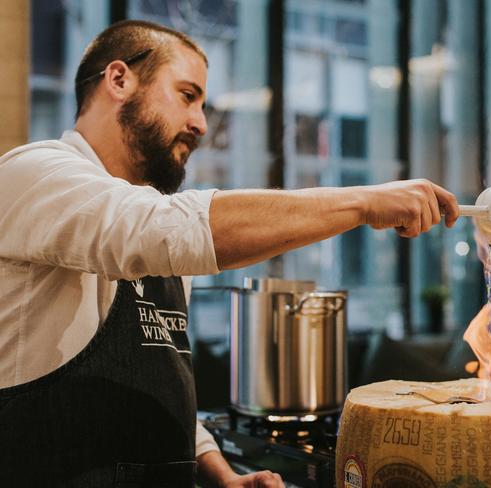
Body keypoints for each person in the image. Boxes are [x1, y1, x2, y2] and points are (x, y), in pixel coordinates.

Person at [0, 20, 459, 488]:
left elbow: (161, 387)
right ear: (119, 79)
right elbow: (157, 229)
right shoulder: (34, 173)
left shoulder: (155, 220)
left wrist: (221, 474)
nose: (201, 122)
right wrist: (362, 202)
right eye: (187, 94)